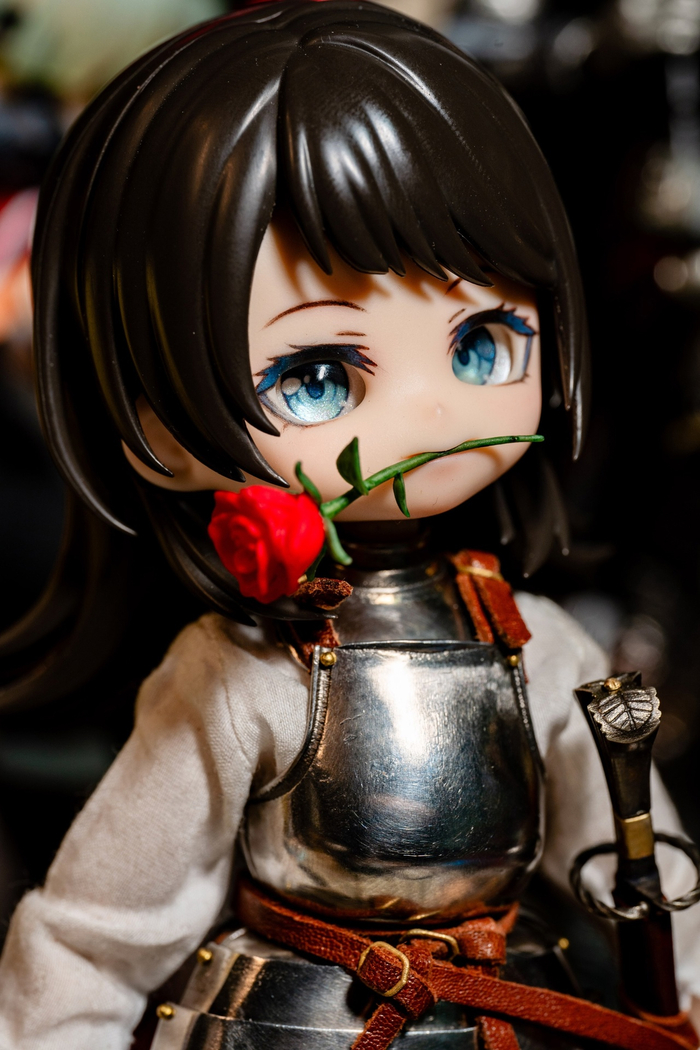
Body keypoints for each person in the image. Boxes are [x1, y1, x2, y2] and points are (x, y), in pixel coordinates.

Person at [0, 3, 698, 1048]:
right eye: (317, 375)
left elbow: (641, 873)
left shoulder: (535, 645)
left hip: (510, 1013)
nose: (429, 411)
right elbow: (101, 936)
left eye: (480, 344)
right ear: (152, 423)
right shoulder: (247, 676)